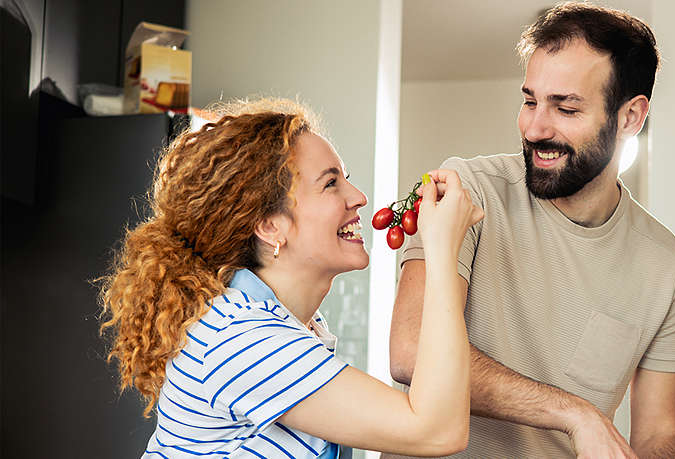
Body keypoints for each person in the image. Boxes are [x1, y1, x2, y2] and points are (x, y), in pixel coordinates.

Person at [387, 3, 675, 459]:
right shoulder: (467, 192)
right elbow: (410, 353)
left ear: (630, 117)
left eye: (566, 108)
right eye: (530, 100)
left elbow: (659, 433)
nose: (534, 128)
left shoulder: (669, 266)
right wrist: (575, 413)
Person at [99, 98, 483, 458]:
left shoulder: (282, 325)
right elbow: (438, 430)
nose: (359, 197)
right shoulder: (241, 338)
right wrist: (442, 251)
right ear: (269, 225)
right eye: (330, 183)